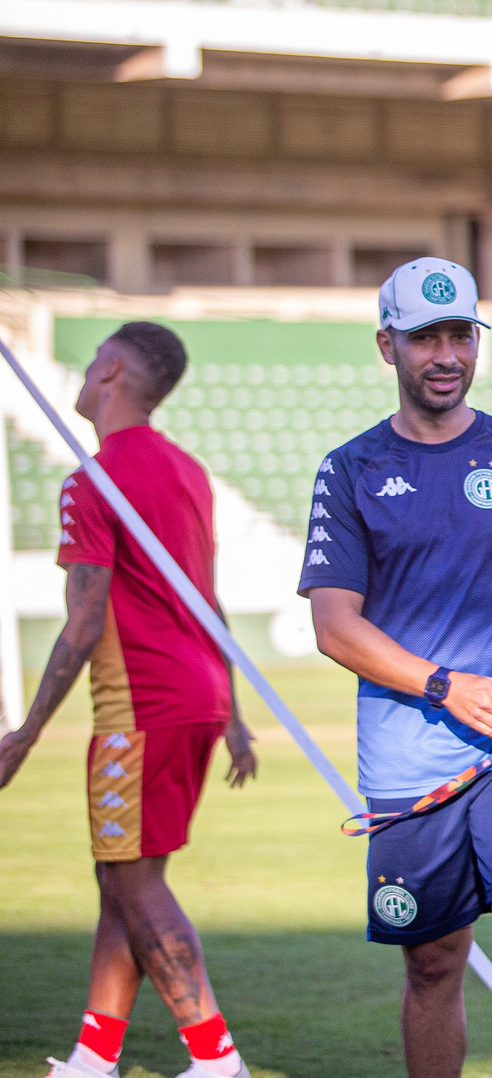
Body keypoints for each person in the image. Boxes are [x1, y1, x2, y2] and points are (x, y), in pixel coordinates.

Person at [301, 258, 492, 1078]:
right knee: (432, 959)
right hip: (409, 752)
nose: (445, 354)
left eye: (461, 335)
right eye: (424, 337)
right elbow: (334, 625)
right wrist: (443, 685)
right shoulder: (349, 469)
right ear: (386, 346)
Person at [0, 321, 260, 1078]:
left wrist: (24, 733)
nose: (81, 375)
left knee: (135, 881)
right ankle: (94, 1054)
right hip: (197, 693)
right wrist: (235, 711)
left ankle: (216, 1060)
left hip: (141, 704)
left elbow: (84, 621)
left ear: (110, 370)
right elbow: (204, 595)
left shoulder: (93, 476)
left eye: (89, 363)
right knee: (123, 874)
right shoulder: (187, 469)